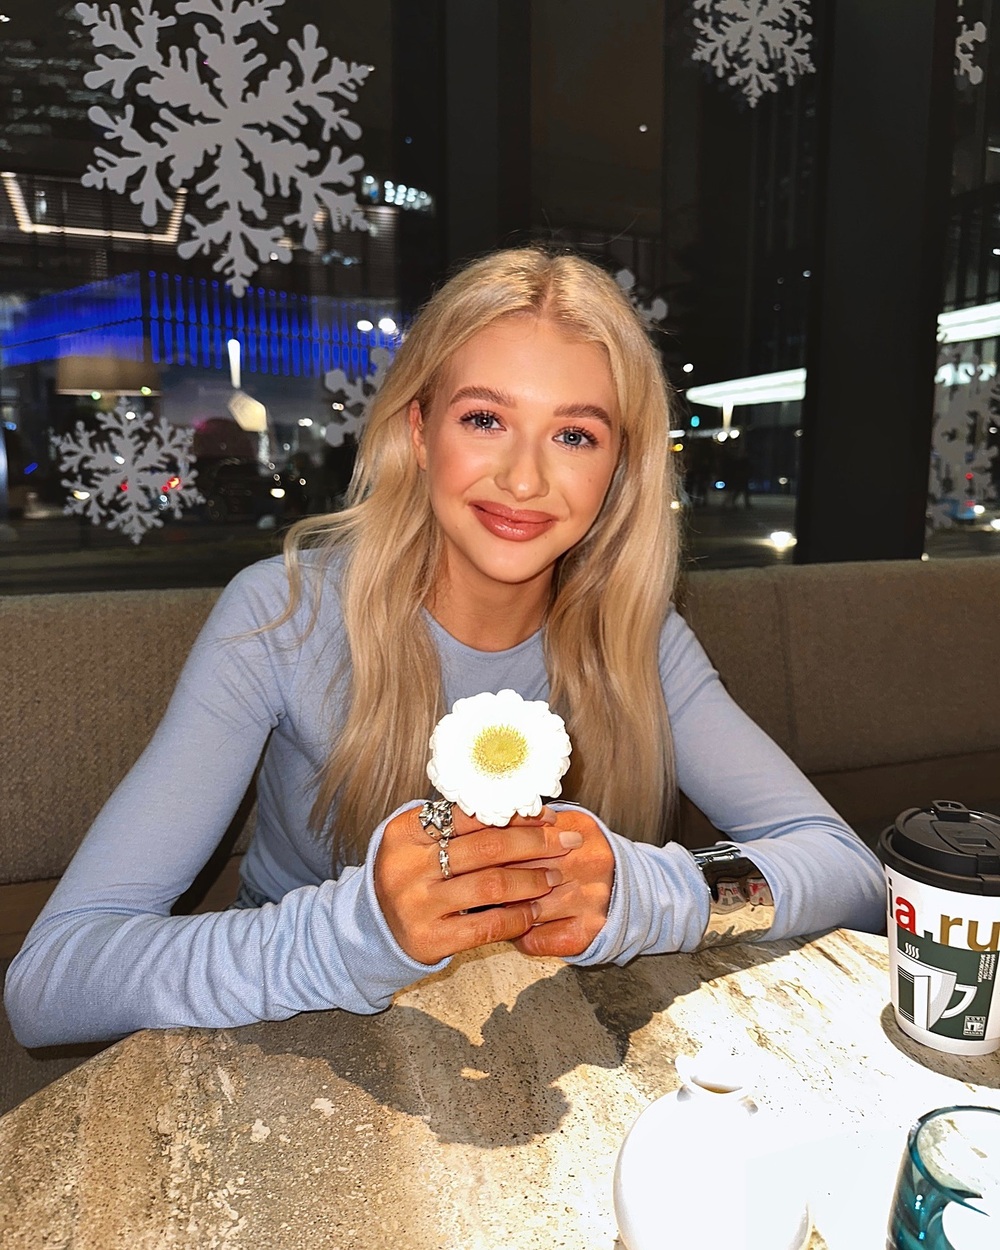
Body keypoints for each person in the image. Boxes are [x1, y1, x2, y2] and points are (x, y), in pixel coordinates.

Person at [4, 249, 884, 1048]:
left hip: (556, 1051)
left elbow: (849, 871)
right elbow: (50, 983)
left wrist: (651, 894)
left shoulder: (639, 636)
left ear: (619, 469)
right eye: (485, 419)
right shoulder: (284, 615)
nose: (525, 478)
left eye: (575, 435)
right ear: (420, 432)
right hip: (306, 1049)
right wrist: (356, 933)